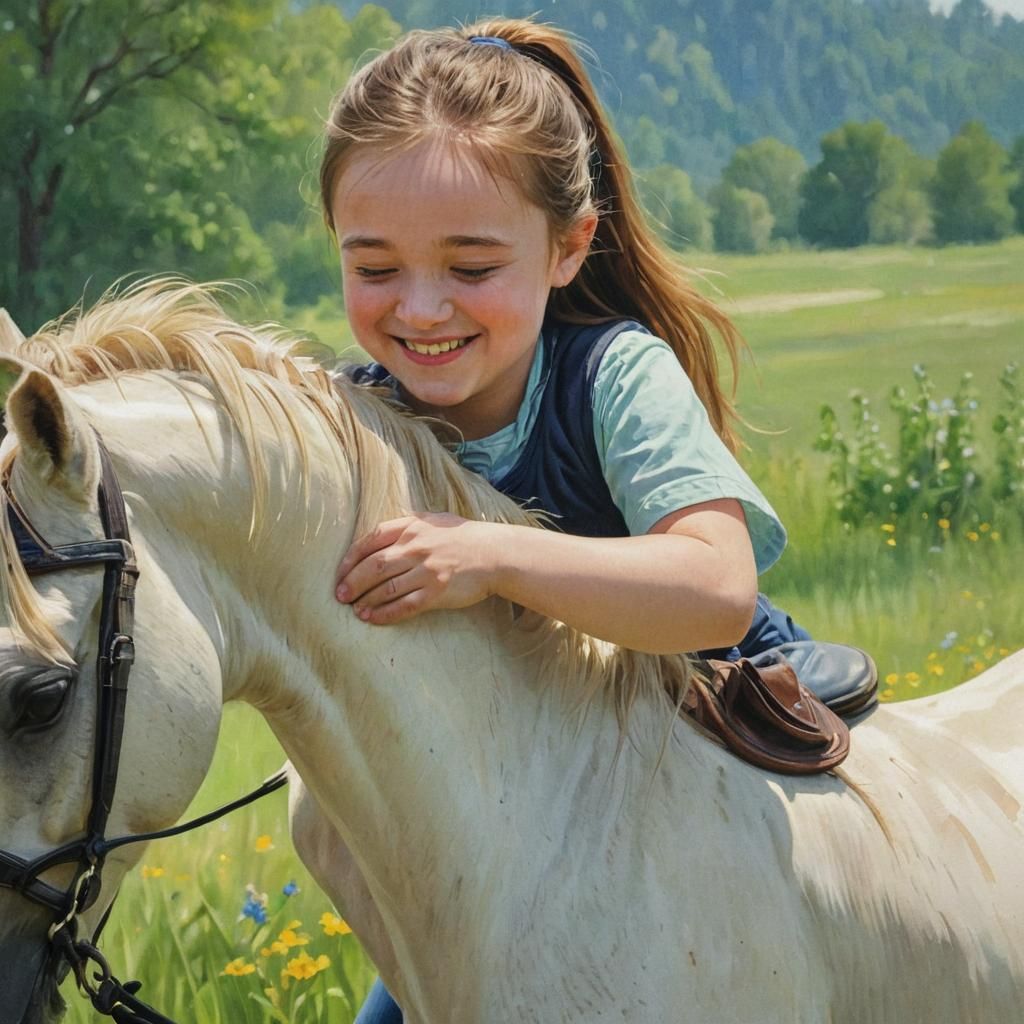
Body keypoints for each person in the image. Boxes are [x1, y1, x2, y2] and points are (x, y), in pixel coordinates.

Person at [319, 19, 876, 1022]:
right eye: (375, 267)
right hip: (512, 842)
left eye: (472, 266)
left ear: (569, 246)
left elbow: (715, 589)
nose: (422, 308)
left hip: (700, 761)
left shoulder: (611, 375)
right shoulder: (350, 420)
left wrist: (490, 555)